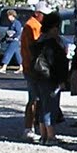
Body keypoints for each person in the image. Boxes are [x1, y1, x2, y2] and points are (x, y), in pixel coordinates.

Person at [30, 12, 69, 145]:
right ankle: (51, 136)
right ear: (53, 28)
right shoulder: (52, 44)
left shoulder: (39, 41)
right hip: (50, 78)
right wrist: (62, 80)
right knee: (50, 107)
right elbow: (56, 64)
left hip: (38, 77)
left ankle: (43, 135)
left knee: (42, 106)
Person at [19, 8, 46, 138]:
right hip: (32, 68)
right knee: (34, 98)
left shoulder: (34, 25)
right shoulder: (32, 26)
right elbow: (35, 48)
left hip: (32, 66)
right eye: (44, 14)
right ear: (37, 13)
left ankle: (33, 126)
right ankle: (28, 127)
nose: (45, 17)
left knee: (37, 98)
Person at [0, 8, 22, 72]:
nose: (8, 17)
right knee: (17, 54)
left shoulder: (17, 23)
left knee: (8, 53)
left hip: (14, 41)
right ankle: (21, 66)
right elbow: (8, 33)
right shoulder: (11, 23)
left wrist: (13, 36)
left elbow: (18, 32)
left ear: (12, 15)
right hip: (11, 40)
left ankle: (4, 67)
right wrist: (3, 39)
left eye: (9, 15)